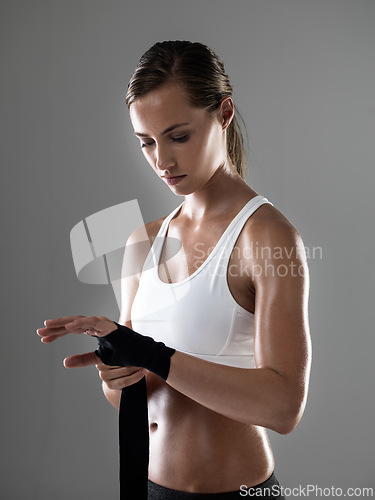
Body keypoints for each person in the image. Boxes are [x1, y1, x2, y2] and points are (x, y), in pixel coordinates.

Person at [37, 41, 311, 499]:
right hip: (147, 487)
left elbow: (283, 408)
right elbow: (133, 393)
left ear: (223, 114)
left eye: (178, 136)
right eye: (146, 142)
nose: (162, 160)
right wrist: (117, 371)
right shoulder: (141, 242)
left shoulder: (266, 237)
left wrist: (152, 355)